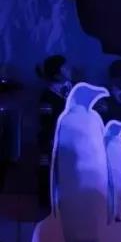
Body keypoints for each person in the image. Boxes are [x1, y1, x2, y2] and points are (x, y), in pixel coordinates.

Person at [35, 55, 72, 209]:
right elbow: (47, 123)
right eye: (65, 67)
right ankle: (49, 204)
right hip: (54, 141)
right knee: (50, 170)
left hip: (73, 141)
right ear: (57, 73)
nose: (70, 69)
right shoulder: (47, 96)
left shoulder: (74, 90)